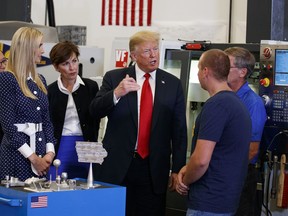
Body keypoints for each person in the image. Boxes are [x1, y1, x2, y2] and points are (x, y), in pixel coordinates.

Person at [90, 30, 187, 216]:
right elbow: (94, 111)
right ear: (133, 56)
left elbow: (179, 130)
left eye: (156, 49)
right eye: (147, 51)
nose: (154, 55)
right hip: (118, 167)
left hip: (153, 169)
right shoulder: (115, 78)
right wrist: (116, 93)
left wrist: (177, 168)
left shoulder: (172, 83)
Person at [176, 49, 252, 216]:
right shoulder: (236, 103)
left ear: (205, 72)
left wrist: (185, 180)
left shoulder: (217, 105)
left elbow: (202, 160)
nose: (197, 74)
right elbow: (221, 153)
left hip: (208, 203)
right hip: (224, 200)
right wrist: (188, 167)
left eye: (198, 69)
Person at [0, 27, 56, 182]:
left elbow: (46, 122)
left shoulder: (40, 81)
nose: (43, 50)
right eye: (40, 46)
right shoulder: (7, 79)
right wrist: (33, 158)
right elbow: (8, 126)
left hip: (40, 153)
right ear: (28, 48)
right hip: (16, 156)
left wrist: (49, 153)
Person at [48, 41, 100, 180]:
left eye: (74, 61)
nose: (72, 68)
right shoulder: (50, 91)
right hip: (60, 145)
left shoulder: (91, 86)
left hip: (87, 144)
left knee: (87, 186)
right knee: (56, 184)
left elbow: (98, 116)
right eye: (65, 64)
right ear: (56, 67)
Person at [224, 47, 267, 216]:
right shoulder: (223, 97)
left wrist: (225, 173)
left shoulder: (253, 103)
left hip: (241, 176)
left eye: (226, 65)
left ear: (242, 72)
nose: (221, 68)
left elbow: (252, 150)